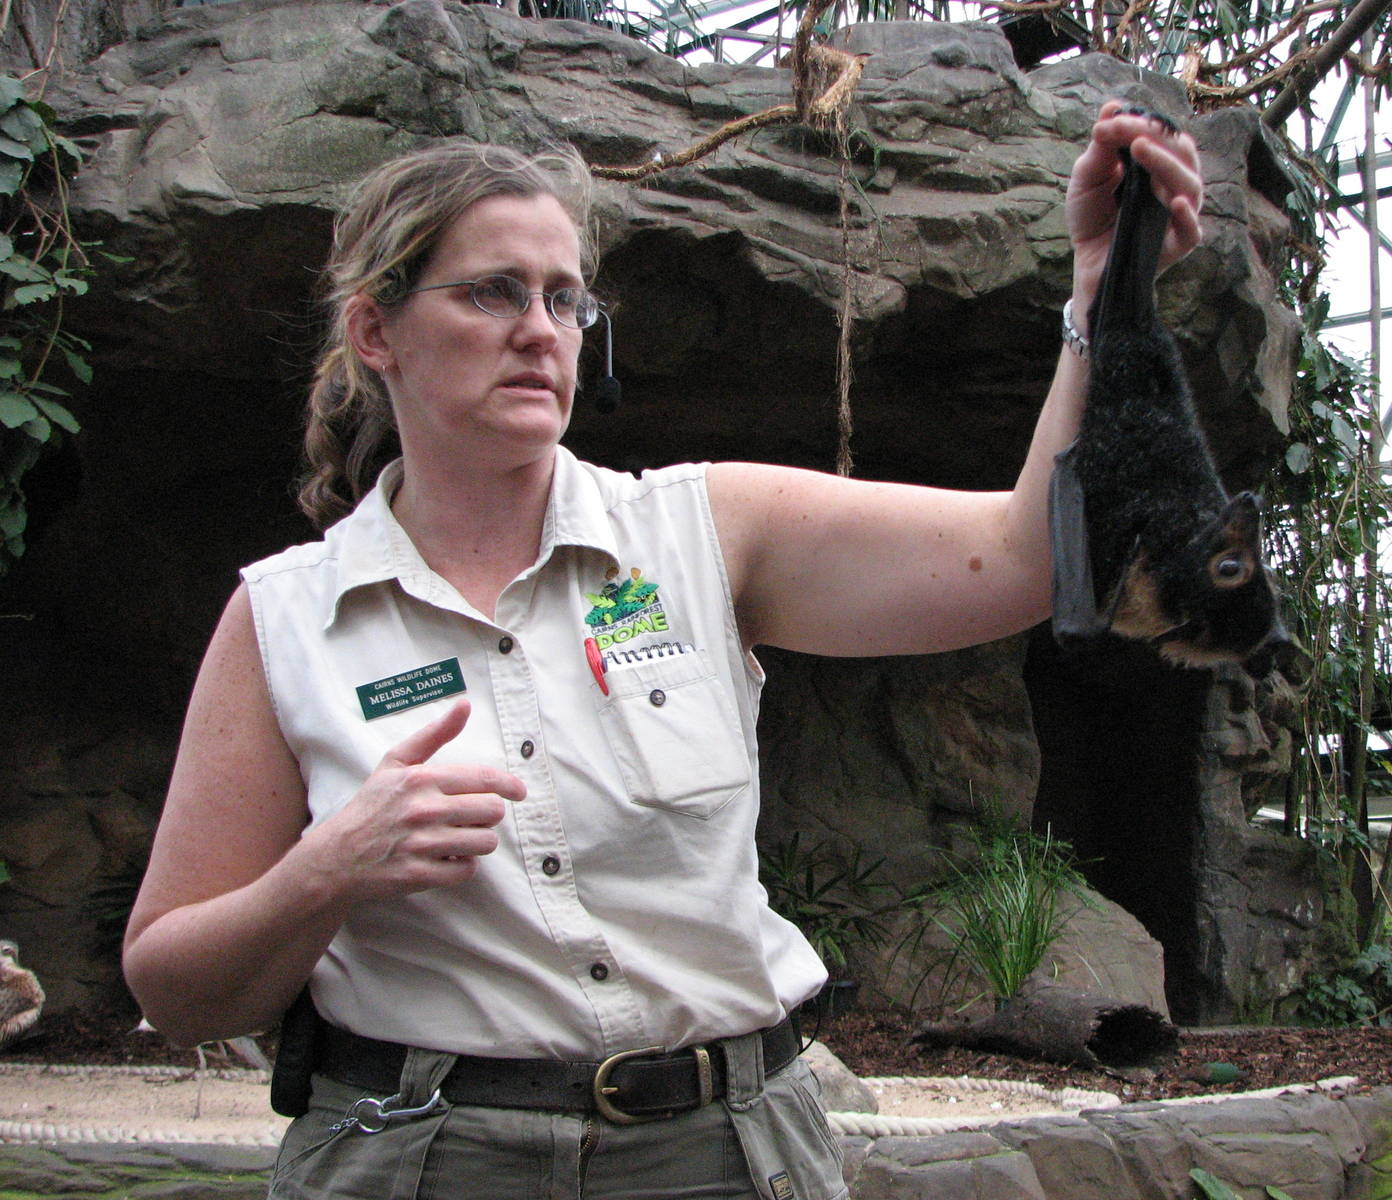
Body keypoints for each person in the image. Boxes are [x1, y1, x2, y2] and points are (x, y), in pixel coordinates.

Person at [122, 101, 1202, 1200]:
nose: (539, 328)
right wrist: (323, 876)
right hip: (420, 1159)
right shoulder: (286, 617)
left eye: (563, 297)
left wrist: (1100, 292)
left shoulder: (704, 533)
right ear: (374, 333)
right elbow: (174, 989)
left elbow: (1023, 559)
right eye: (492, 290)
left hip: (724, 1156)